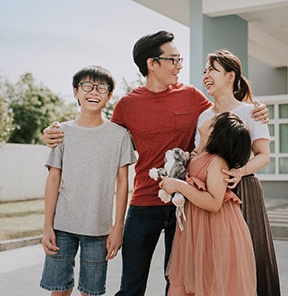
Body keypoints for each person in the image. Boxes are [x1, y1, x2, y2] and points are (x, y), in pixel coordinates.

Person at [42, 31, 268, 296]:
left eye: (179, 59)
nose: (179, 65)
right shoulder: (127, 104)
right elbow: (99, 134)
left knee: (178, 284)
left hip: (185, 205)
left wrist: (255, 109)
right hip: (143, 203)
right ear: (152, 63)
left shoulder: (193, 97)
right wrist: (54, 132)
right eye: (173, 59)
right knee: (131, 285)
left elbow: (224, 114)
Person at [40, 66, 137, 296]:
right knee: (59, 290)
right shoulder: (61, 132)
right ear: (76, 92)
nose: (94, 91)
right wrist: (46, 227)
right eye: (87, 86)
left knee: (91, 292)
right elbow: (53, 179)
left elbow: (123, 183)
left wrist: (117, 228)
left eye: (101, 87)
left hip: (99, 227)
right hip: (62, 225)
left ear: (109, 95)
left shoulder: (119, 135)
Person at [193, 50, 281, 296]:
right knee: (217, 261)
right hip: (211, 194)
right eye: (204, 71)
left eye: (212, 70)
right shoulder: (204, 116)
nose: (206, 75)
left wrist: (238, 172)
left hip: (243, 191)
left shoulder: (251, 111)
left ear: (230, 76)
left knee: (250, 256)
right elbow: (199, 153)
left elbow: (263, 155)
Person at [160, 112, 257, 296]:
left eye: (213, 121)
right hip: (195, 229)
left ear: (214, 133)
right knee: (192, 279)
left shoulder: (216, 162)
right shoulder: (195, 156)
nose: (208, 118)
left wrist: (180, 185)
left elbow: (214, 202)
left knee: (213, 280)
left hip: (215, 229)